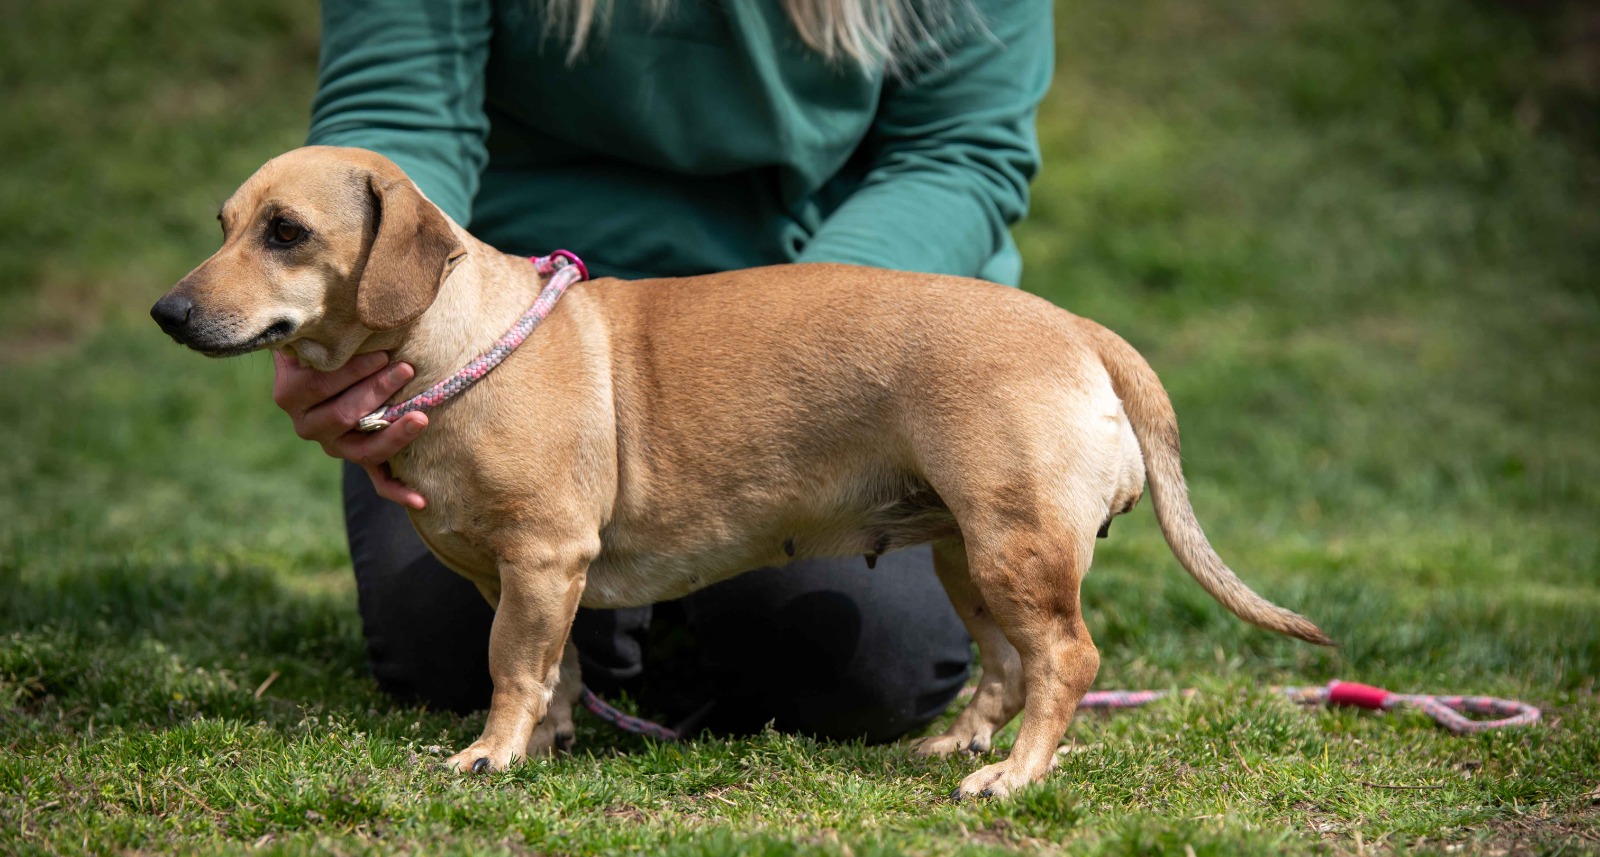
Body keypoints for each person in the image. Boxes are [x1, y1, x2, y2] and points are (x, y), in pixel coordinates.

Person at [273, 0, 1054, 742]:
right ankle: (638, 612)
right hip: (503, 330)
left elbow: (957, 152)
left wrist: (797, 340)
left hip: (821, 340)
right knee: (449, 649)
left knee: (860, 663)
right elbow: (397, 113)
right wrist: (359, 312)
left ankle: (665, 609)